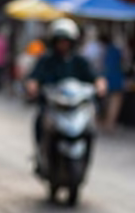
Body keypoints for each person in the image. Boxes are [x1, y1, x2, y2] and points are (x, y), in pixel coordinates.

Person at [26, 18, 96, 146]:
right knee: (40, 120)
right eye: (60, 41)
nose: (63, 44)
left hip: (74, 106)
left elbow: (93, 77)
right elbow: (34, 77)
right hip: (53, 105)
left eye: (66, 41)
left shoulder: (79, 61)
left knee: (90, 126)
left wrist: (100, 83)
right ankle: (40, 152)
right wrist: (33, 84)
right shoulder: (46, 60)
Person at [99, 33, 125, 133]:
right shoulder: (115, 50)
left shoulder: (107, 50)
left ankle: (107, 123)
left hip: (108, 76)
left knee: (108, 101)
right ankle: (110, 124)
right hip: (115, 77)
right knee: (114, 102)